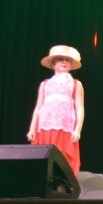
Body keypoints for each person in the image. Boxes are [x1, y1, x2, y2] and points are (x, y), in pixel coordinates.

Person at [27, 45, 85, 174]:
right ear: (53, 63)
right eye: (61, 59)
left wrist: (78, 130)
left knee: (62, 159)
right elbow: (38, 107)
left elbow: (80, 108)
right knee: (44, 158)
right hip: (44, 127)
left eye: (68, 60)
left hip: (65, 128)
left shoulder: (76, 84)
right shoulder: (45, 84)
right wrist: (32, 128)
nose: (65, 62)